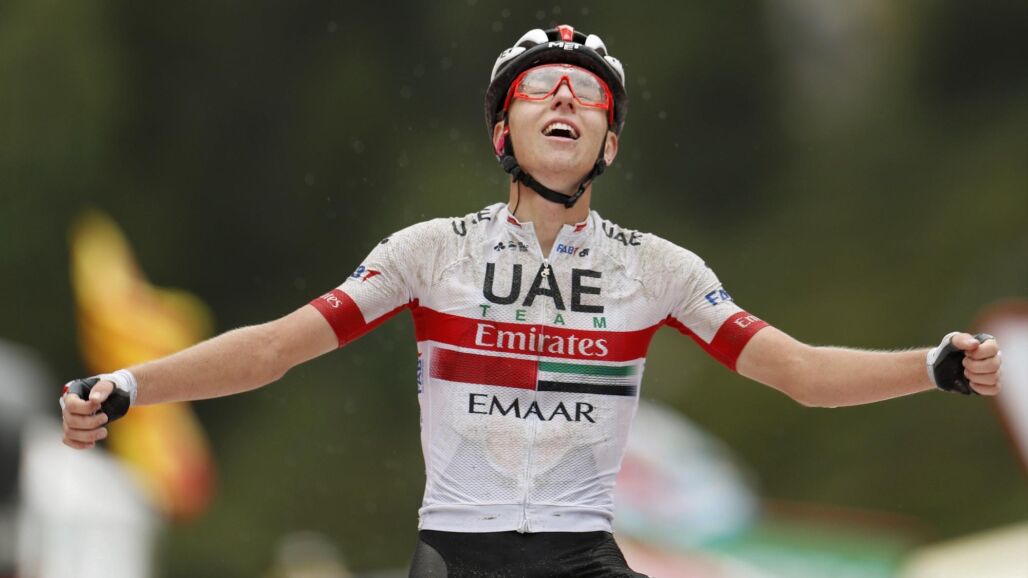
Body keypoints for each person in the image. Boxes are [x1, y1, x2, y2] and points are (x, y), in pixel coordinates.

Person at [61, 25, 1003, 578]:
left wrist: (933, 367)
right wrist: (133, 385)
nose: (564, 100)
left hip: (583, 553)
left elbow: (801, 373)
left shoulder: (658, 269)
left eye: (588, 96)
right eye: (539, 89)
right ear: (501, 131)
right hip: (457, 552)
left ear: (610, 145)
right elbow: (273, 348)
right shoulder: (430, 251)